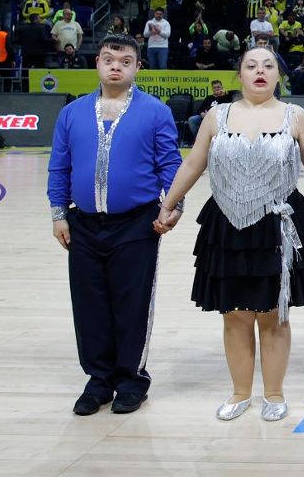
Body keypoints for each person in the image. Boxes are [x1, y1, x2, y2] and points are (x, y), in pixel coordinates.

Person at [154, 46, 304, 422]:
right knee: (234, 314)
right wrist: (168, 203)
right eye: (251, 66)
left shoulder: (295, 116)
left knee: (273, 314)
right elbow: (193, 162)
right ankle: (239, 392)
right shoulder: (216, 117)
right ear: (240, 75)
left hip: (277, 227)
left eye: (268, 65)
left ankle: (274, 393)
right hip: (227, 225)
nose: (260, 71)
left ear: (279, 75)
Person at [47, 34, 182, 416]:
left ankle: (131, 379)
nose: (116, 66)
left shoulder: (155, 111)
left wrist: (173, 207)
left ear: (138, 66)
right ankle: (99, 379)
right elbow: (59, 166)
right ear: (98, 65)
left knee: (131, 301)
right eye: (109, 59)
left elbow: (170, 165)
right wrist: (59, 214)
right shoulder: (71, 114)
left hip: (137, 223)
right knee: (89, 302)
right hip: (83, 224)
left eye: (125, 60)